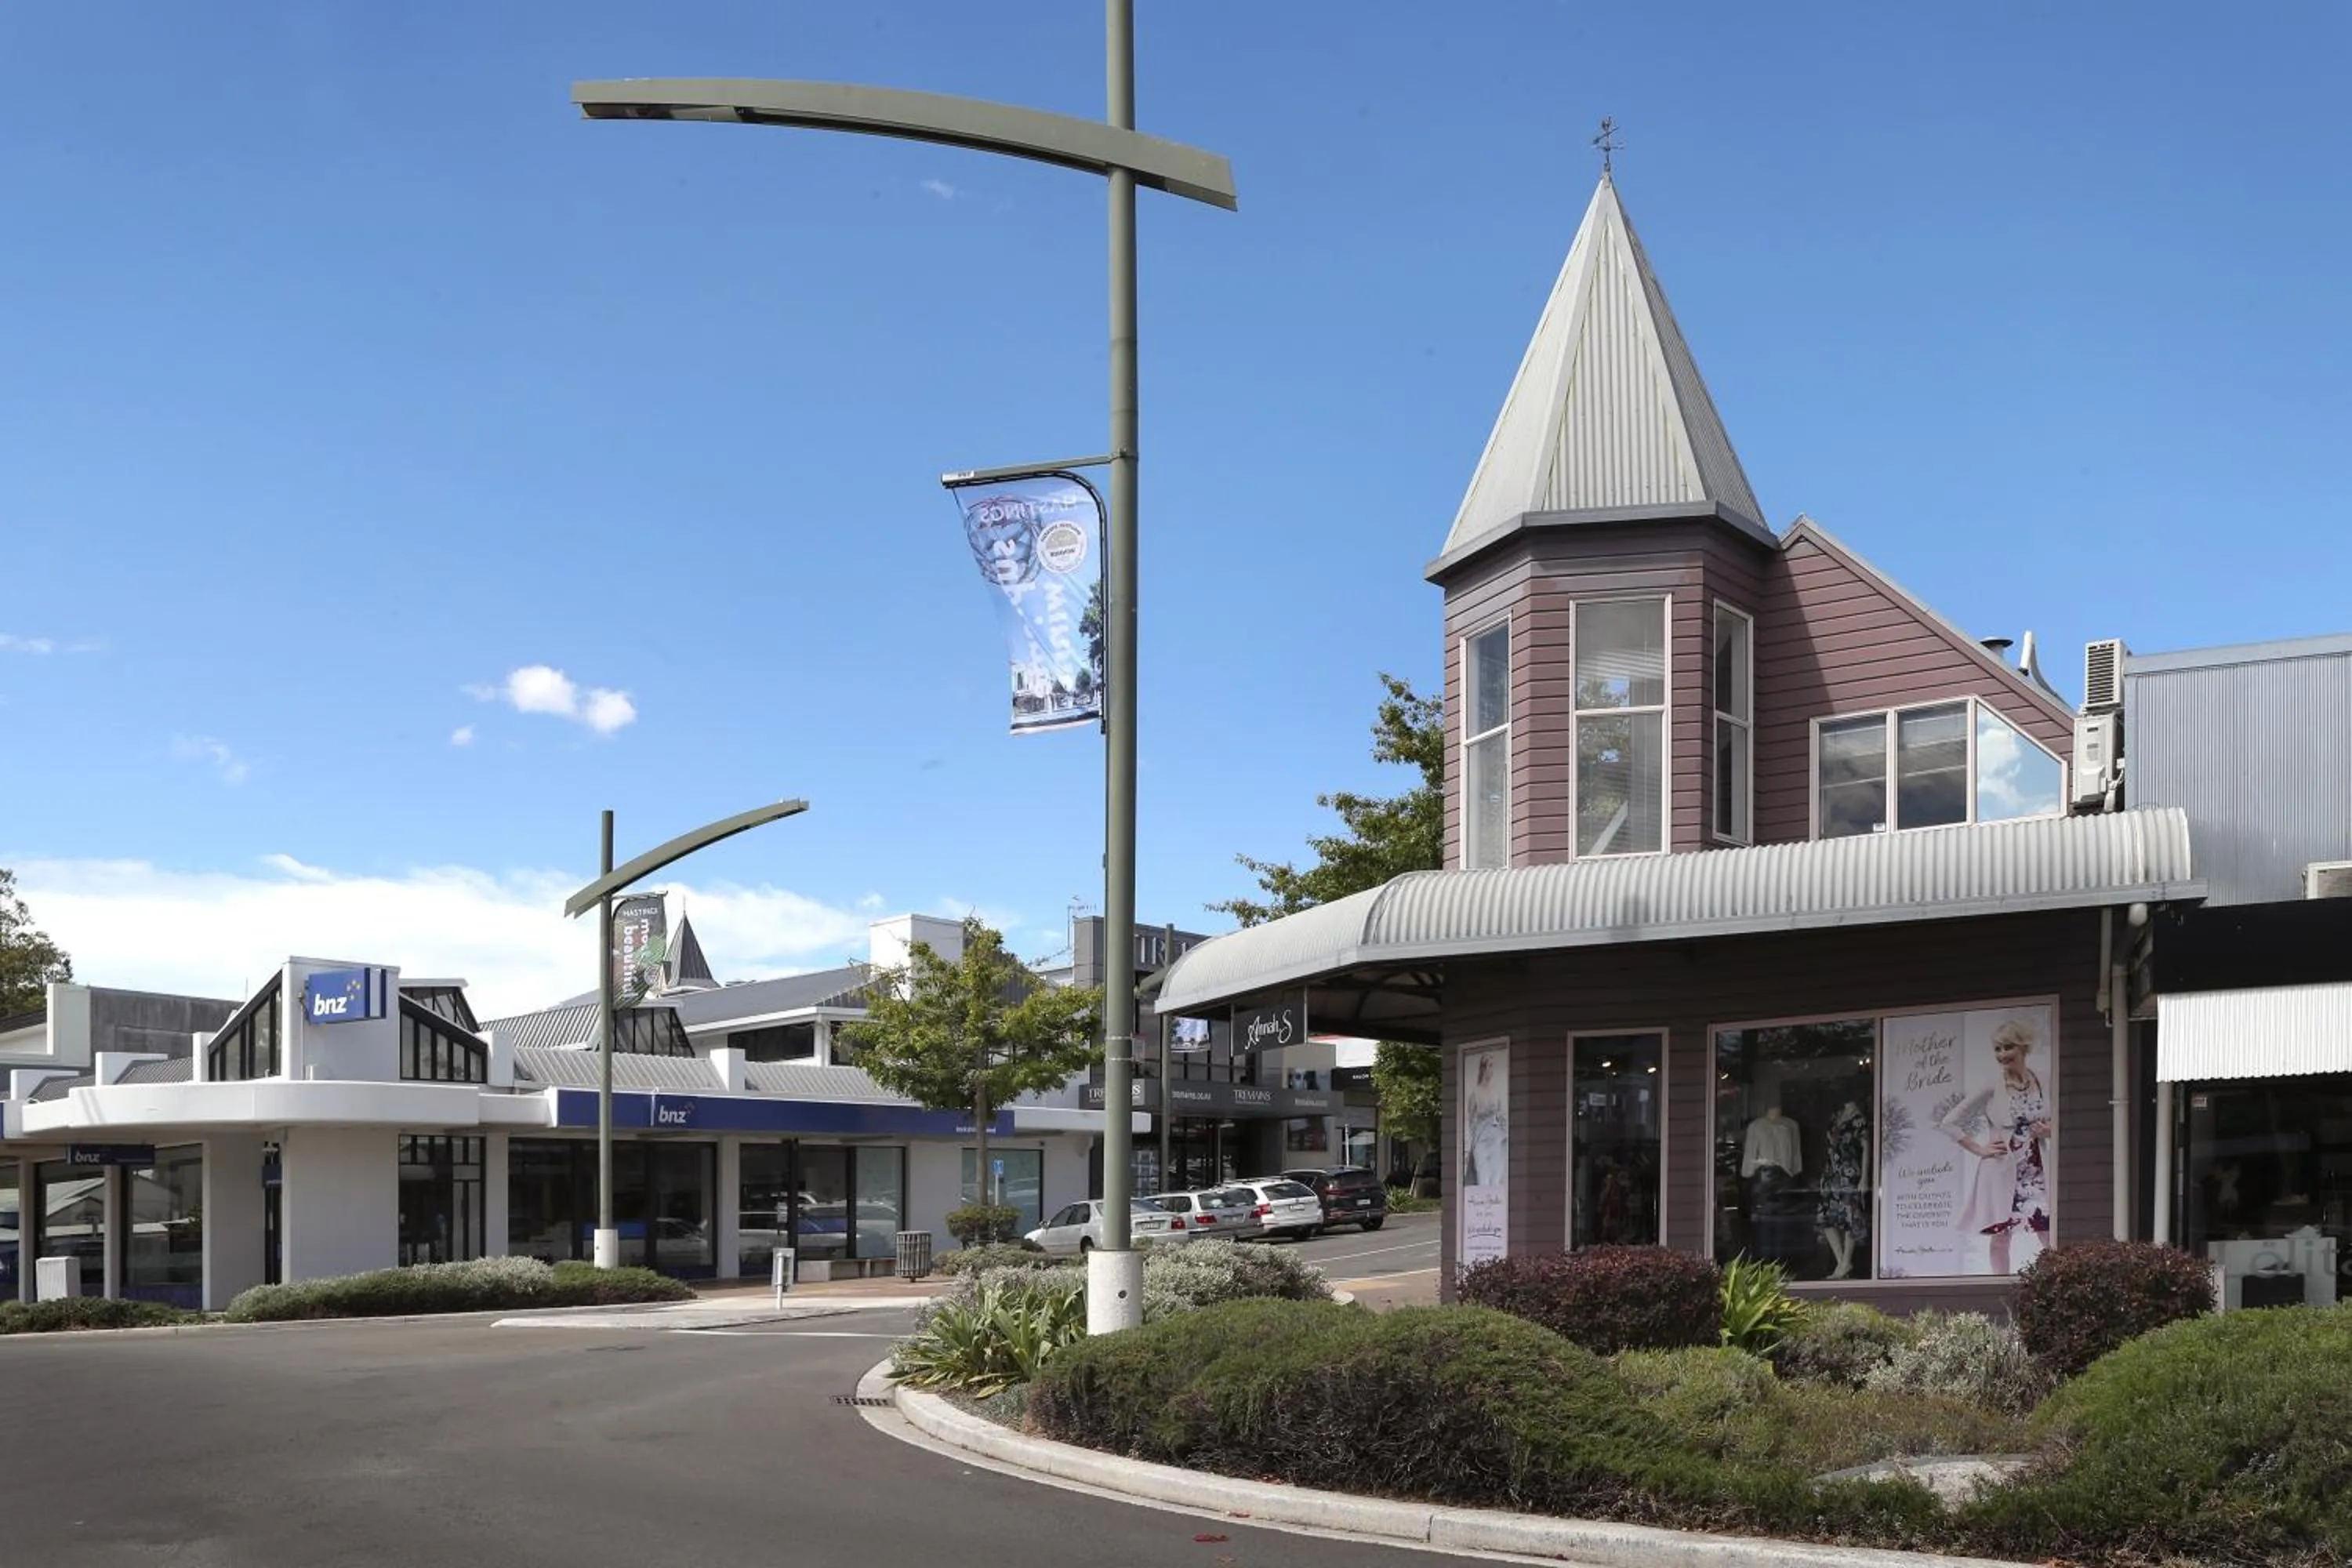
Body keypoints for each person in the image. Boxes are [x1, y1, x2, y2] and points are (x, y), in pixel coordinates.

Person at [1935, 1018, 2053, 1274]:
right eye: (1998, 1049)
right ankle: (2000, 1290)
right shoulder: (1992, 1084)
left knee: (2048, 1234)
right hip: (2002, 1171)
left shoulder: (2043, 1079)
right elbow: (1949, 1122)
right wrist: (1980, 1149)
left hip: (2037, 1172)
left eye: (2008, 1047)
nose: (2002, 1054)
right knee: (2001, 1236)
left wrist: (2051, 1130)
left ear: (2023, 1047)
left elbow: (2061, 1117)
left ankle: (2052, 1289)